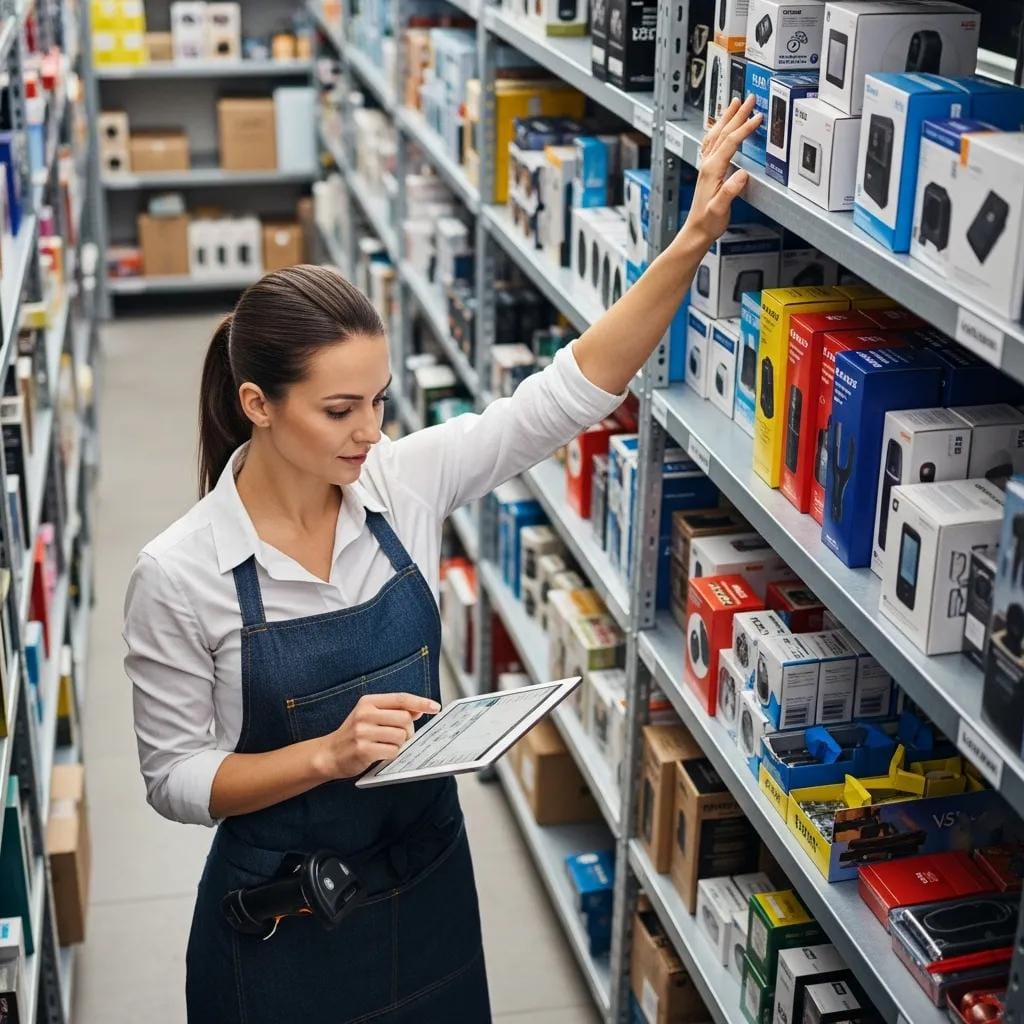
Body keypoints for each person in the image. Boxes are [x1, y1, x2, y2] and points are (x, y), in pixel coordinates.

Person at [124, 98, 762, 1024]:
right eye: (339, 411)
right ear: (257, 404)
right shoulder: (181, 572)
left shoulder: (402, 482)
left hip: (425, 877)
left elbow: (567, 394)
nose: (371, 432)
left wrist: (694, 237)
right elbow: (175, 777)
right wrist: (325, 755)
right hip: (284, 916)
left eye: (378, 400)